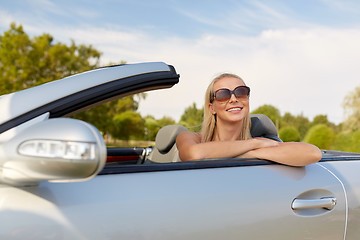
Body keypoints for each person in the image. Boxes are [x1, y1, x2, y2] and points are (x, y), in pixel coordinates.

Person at [176, 73, 322, 166]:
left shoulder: (258, 145)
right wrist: (254, 144)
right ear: (212, 108)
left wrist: (249, 152)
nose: (233, 99)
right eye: (223, 95)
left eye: (241, 92)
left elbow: (313, 153)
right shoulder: (190, 137)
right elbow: (194, 154)